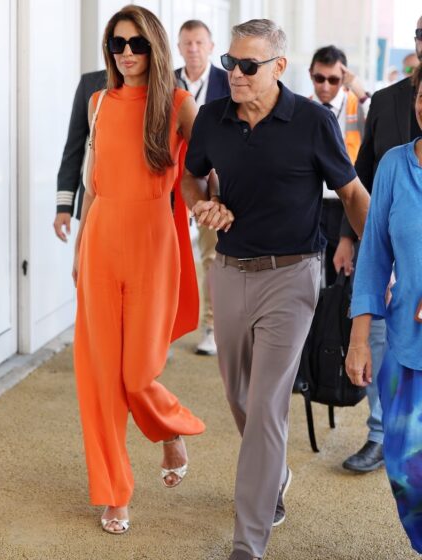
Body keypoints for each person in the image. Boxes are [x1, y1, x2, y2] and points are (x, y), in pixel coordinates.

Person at [182, 18, 370, 560]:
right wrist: (202, 203)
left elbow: (353, 194)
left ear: (278, 67)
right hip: (231, 270)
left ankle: (249, 540)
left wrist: (384, 258)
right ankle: (275, 475)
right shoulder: (214, 119)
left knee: (266, 405)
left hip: (293, 275)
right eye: (230, 64)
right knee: (239, 397)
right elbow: (192, 177)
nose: (235, 75)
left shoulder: (312, 121)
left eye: (247, 65)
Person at [73, 5, 205, 535]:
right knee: (100, 378)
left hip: (154, 245)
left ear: (155, 47)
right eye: (117, 44)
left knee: (136, 373)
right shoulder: (98, 102)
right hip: (101, 242)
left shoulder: (178, 104)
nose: (126, 53)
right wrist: (82, 238)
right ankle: (114, 493)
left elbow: (206, 168)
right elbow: (93, 178)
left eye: (137, 44)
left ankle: (171, 429)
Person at [337, 14, 422, 473]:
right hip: (389, 239)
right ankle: (378, 431)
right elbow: (363, 172)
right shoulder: (388, 101)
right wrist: (349, 237)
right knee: (379, 337)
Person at [346, 61, 422, 556]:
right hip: (404, 345)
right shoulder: (395, 164)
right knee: (404, 470)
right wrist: (358, 337)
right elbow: (374, 255)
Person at [175, 19, 230, 356]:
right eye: (187, 43)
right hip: (171, 185)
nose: (193, 49)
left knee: (212, 256)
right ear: (179, 48)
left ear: (211, 47)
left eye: (199, 43)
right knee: (171, 259)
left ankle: (212, 325)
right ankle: (164, 327)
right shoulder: (166, 83)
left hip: (213, 183)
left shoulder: (229, 83)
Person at [309, 45, 370, 286]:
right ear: (310, 74)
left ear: (343, 78)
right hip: (314, 201)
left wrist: (359, 89)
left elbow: (382, 122)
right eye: (319, 78)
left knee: (342, 273)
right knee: (312, 270)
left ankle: (336, 321)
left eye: (333, 79)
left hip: (346, 201)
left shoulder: (357, 104)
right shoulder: (305, 107)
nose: (325, 86)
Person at [54, 70, 107, 241]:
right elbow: (73, 149)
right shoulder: (89, 84)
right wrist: (64, 206)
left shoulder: (154, 84)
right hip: (92, 202)